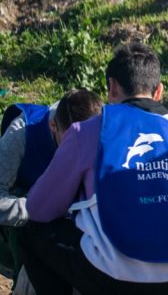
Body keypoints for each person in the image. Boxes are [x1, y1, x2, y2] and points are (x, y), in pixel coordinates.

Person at [19, 43, 168, 294]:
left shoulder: (90, 130)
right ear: (159, 92)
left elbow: (39, 208)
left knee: (34, 231)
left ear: (111, 87)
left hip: (118, 279)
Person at [0, 90, 102, 291]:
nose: (76, 151)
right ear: (53, 125)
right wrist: (38, 207)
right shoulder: (22, 133)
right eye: (70, 143)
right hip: (23, 227)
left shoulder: (104, 129)